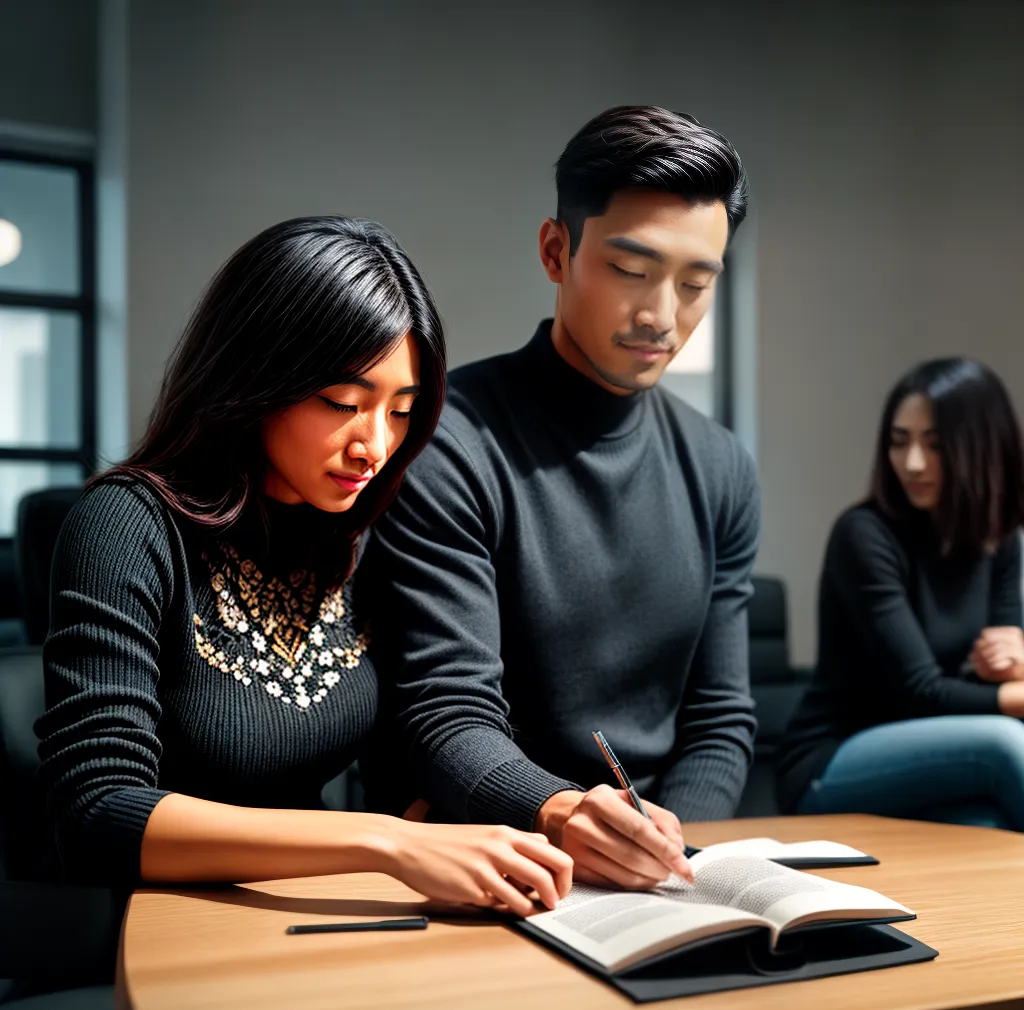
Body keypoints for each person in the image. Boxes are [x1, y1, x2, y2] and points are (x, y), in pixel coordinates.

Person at [34, 216, 571, 917]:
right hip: (154, 927)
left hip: (305, 913)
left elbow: (422, 729)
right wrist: (382, 843)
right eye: (345, 404)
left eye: (402, 412)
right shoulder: (127, 526)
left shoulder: (357, 536)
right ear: (258, 375)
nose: (373, 446)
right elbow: (99, 810)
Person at [361, 105, 758, 890]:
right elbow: (446, 717)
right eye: (632, 270)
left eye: (696, 283)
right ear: (556, 250)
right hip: (481, 859)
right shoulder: (448, 442)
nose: (662, 317)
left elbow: (721, 720)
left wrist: (670, 857)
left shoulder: (720, 466)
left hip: (656, 875)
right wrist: (563, 810)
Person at [777, 358, 1024, 829]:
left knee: (983, 825)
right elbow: (921, 692)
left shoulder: (1003, 538)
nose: (912, 462)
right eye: (899, 441)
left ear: (983, 448)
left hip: (939, 757)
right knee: (1007, 744)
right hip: (831, 760)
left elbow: (1005, 670)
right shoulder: (864, 535)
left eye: (935, 445)